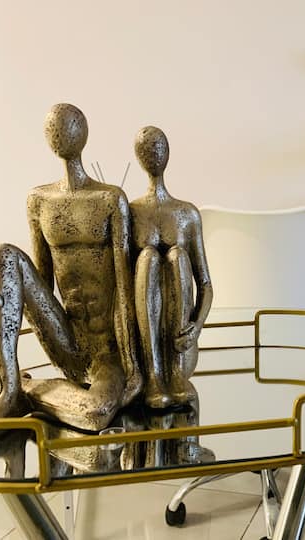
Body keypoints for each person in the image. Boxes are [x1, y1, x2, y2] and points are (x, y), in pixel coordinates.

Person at [0, 103, 142, 431]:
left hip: (107, 350)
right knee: (5, 255)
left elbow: (125, 290)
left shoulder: (110, 200)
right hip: (65, 338)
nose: (61, 135)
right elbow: (41, 283)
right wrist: (1, 295)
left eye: (67, 127)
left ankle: (29, 390)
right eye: (55, 129)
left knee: (95, 412)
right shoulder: (39, 200)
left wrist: (133, 368)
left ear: (83, 134)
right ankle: (9, 390)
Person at [130, 126, 213, 408]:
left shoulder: (186, 214)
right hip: (146, 344)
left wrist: (196, 327)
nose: (153, 154)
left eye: (158, 147)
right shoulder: (131, 213)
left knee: (177, 256)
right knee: (147, 258)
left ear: (167, 153)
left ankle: (176, 373)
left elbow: (205, 284)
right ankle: (154, 376)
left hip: (180, 345)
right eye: (146, 149)